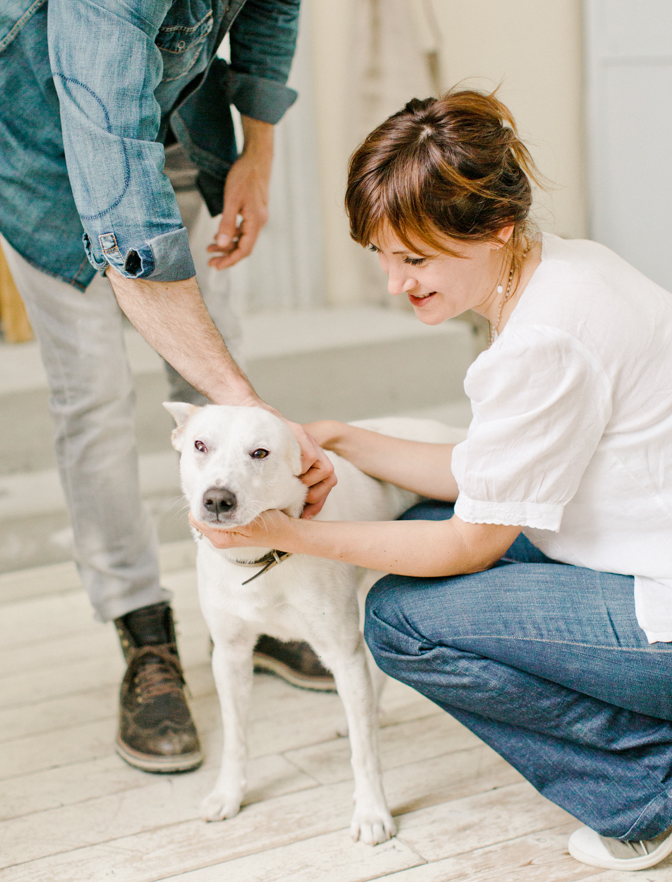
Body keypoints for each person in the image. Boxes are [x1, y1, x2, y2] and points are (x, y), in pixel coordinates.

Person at [194, 89, 672, 872]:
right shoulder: (570, 266)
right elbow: (490, 476)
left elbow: (469, 545)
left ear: (496, 228)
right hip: (638, 559)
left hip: (659, 612)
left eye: (412, 258)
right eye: (381, 255)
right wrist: (342, 439)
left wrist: (288, 535)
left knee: (398, 619)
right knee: (410, 526)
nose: (393, 282)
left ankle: (643, 792)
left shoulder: (542, 343)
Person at [0, 0, 358, 773]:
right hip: (44, 140)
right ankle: (144, 635)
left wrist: (256, 154)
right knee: (98, 395)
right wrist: (248, 410)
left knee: (221, 362)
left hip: (178, 97)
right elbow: (120, 201)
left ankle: (254, 600)